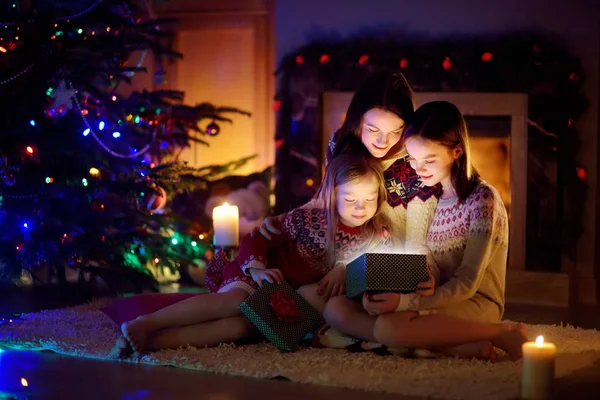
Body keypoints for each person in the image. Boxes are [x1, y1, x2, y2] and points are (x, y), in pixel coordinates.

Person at [111, 151, 392, 356]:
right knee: (236, 301)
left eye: (369, 199)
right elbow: (254, 239)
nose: (360, 208)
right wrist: (256, 268)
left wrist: (343, 267)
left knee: (241, 329)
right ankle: (148, 322)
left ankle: (150, 341)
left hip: (281, 299)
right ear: (332, 196)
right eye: (350, 199)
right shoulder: (309, 220)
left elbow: (371, 267)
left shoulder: (375, 235)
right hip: (256, 274)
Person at [323, 101, 525, 360]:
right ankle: (456, 346)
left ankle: (498, 332)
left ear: (457, 152)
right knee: (336, 308)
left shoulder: (483, 200)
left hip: (474, 302)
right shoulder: (432, 197)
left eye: (429, 160)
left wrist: (405, 303)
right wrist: (391, 288)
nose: (418, 169)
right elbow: (426, 261)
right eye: (413, 159)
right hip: (432, 297)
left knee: (388, 327)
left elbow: (466, 284)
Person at [259, 69, 441, 258]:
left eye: (395, 131)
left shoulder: (416, 161)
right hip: (344, 251)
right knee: (272, 264)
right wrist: (283, 220)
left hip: (395, 261)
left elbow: (417, 246)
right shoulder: (340, 145)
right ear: (358, 120)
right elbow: (325, 200)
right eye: (373, 129)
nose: (382, 141)